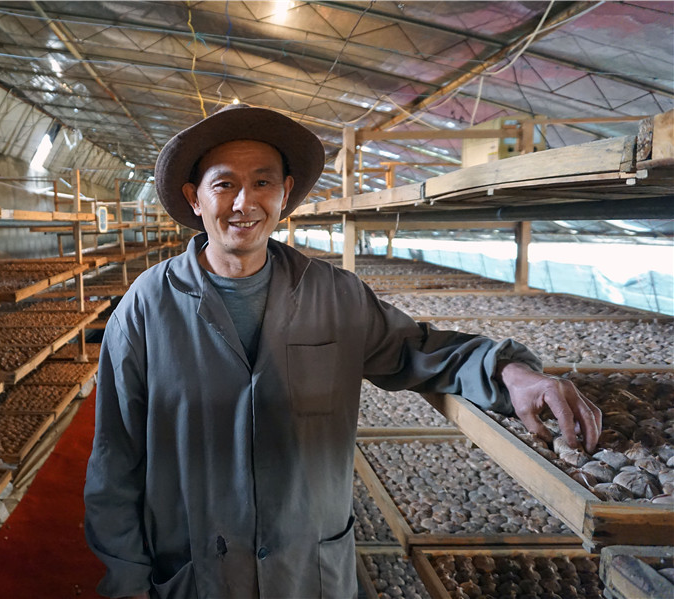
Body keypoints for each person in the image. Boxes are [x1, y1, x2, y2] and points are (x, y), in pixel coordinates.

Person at [84, 104, 602, 599]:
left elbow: (417, 350)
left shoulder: (334, 295)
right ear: (195, 198)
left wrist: (511, 373)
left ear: (285, 194)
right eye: (225, 185)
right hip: (198, 575)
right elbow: (115, 453)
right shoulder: (146, 308)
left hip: (307, 573)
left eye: (262, 182)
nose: (245, 203)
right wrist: (126, 579)